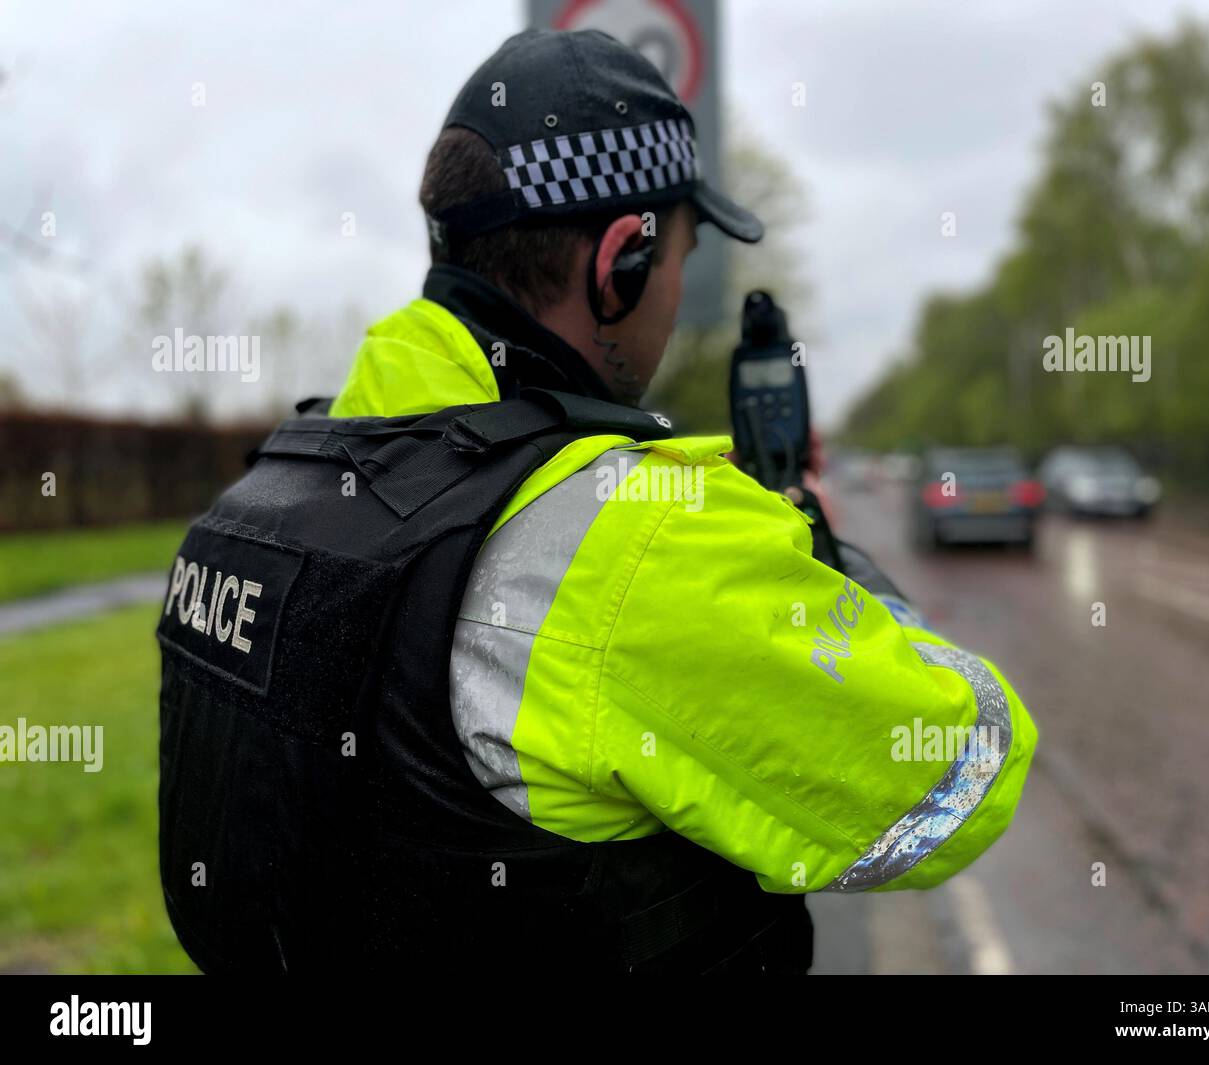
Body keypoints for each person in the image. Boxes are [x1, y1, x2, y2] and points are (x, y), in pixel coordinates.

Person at [156, 28, 1037, 975]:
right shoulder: (641, 537)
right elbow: (959, 768)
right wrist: (818, 544)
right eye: (681, 259)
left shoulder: (268, 494)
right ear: (620, 262)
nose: (672, 304)